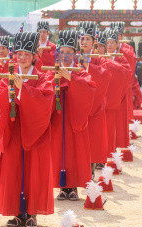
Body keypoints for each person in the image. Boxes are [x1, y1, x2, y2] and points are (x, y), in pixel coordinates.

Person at [0, 32, 54, 227]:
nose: (23, 58)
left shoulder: (43, 77)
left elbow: (46, 101)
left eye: (27, 54)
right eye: (19, 54)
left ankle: (32, 212)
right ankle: (17, 212)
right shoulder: (8, 76)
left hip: (34, 132)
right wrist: (10, 92)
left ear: (34, 56)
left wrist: (24, 91)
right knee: (14, 168)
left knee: (33, 170)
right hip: (14, 130)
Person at [51, 30, 96, 201]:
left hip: (74, 118)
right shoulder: (53, 70)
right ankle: (62, 188)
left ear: (75, 54)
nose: (66, 55)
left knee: (74, 150)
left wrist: (70, 77)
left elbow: (89, 87)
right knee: (58, 148)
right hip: (58, 116)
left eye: (70, 52)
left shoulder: (80, 70)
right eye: (63, 52)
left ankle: (74, 187)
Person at [78, 21, 111, 173]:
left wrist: (89, 65)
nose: (84, 42)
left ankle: (90, 171)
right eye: (82, 39)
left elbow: (104, 77)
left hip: (95, 107)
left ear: (94, 42)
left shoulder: (100, 60)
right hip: (77, 107)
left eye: (88, 39)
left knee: (92, 140)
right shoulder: (71, 57)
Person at [96, 31, 131, 158]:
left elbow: (127, 75)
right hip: (103, 96)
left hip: (116, 98)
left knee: (113, 128)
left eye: (112, 42)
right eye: (108, 42)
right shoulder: (101, 57)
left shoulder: (121, 58)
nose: (109, 45)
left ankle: (111, 154)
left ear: (117, 44)